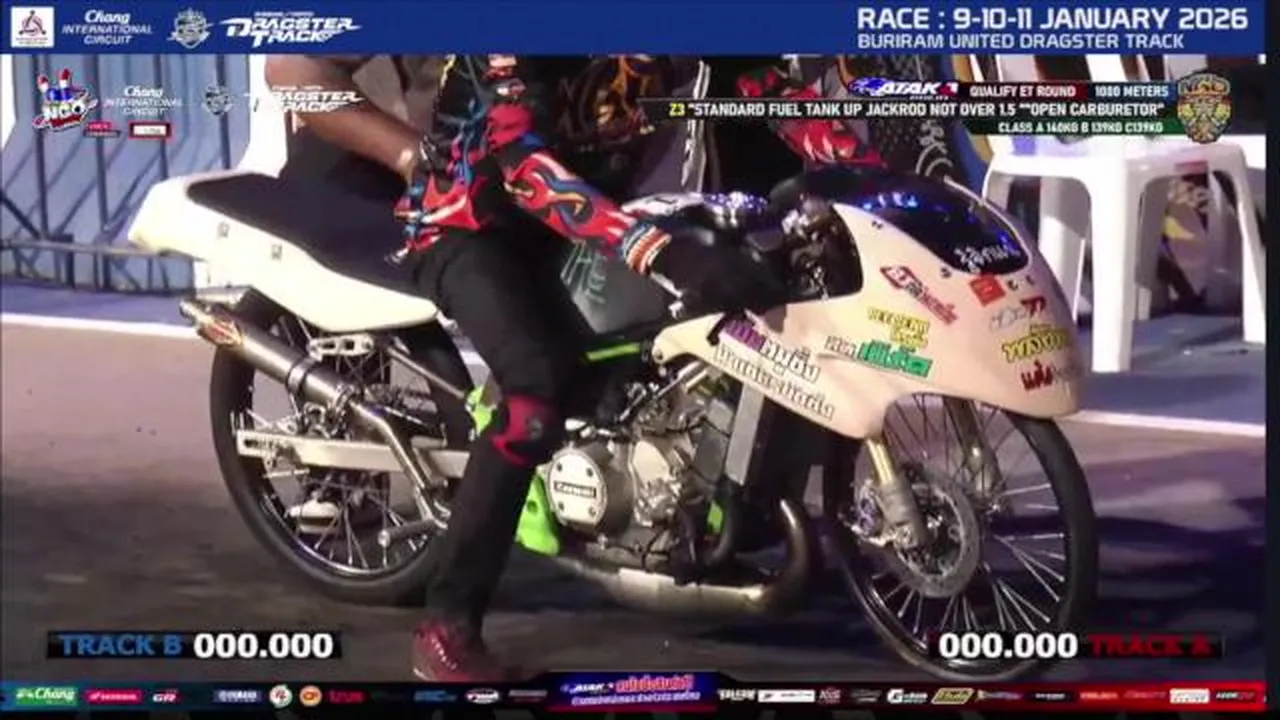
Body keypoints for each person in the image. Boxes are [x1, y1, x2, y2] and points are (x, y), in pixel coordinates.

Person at [264, 54, 884, 681]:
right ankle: (448, 624)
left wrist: (875, 180)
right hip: (470, 224)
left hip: (584, 213)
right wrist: (656, 250)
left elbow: (763, 85)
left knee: (690, 333)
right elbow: (521, 166)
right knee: (534, 395)